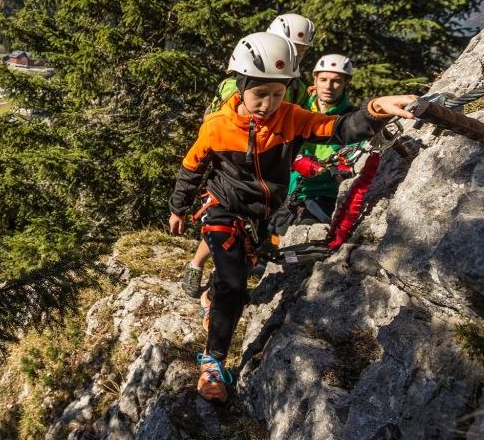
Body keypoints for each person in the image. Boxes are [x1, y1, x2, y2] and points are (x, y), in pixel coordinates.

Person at [168, 32, 417, 403]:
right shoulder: (217, 126)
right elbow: (191, 168)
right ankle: (213, 362)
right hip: (222, 206)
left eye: (278, 94)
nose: (269, 104)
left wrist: (374, 110)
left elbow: (337, 129)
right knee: (235, 281)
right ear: (241, 86)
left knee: (235, 273)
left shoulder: (291, 117)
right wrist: (178, 207)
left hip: (265, 214)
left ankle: (216, 302)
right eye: (260, 94)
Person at [183, 13, 317, 298]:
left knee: (250, 227)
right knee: (228, 219)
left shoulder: (297, 85)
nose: (295, 53)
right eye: (291, 45)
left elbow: (302, 121)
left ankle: (225, 282)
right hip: (236, 159)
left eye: (302, 49)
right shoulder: (241, 81)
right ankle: (199, 266)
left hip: (272, 161)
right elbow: (220, 121)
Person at [285, 54, 358, 223]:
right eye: (323, 79)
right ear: (315, 79)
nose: (328, 86)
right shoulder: (298, 109)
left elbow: (353, 157)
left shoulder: (351, 119)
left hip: (322, 197)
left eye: (336, 81)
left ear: (346, 82)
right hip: (285, 191)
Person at [205, 13, 316, 116]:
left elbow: (305, 122)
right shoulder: (235, 87)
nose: (294, 54)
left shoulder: (298, 89)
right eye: (287, 47)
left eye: (301, 50)